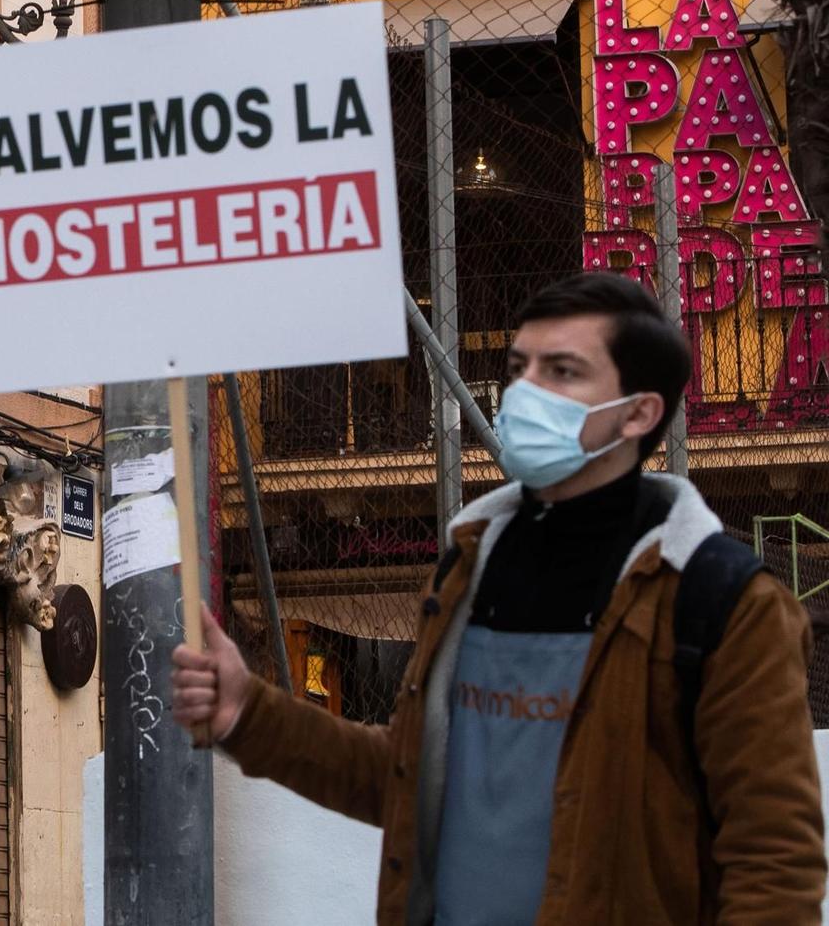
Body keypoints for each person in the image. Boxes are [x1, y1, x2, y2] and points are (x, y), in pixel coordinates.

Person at [172, 273, 826, 923]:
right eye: (521, 367)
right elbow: (410, 777)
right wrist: (246, 712)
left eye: (563, 371)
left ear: (639, 412)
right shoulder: (469, 566)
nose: (526, 390)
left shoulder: (725, 600)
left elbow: (775, 861)